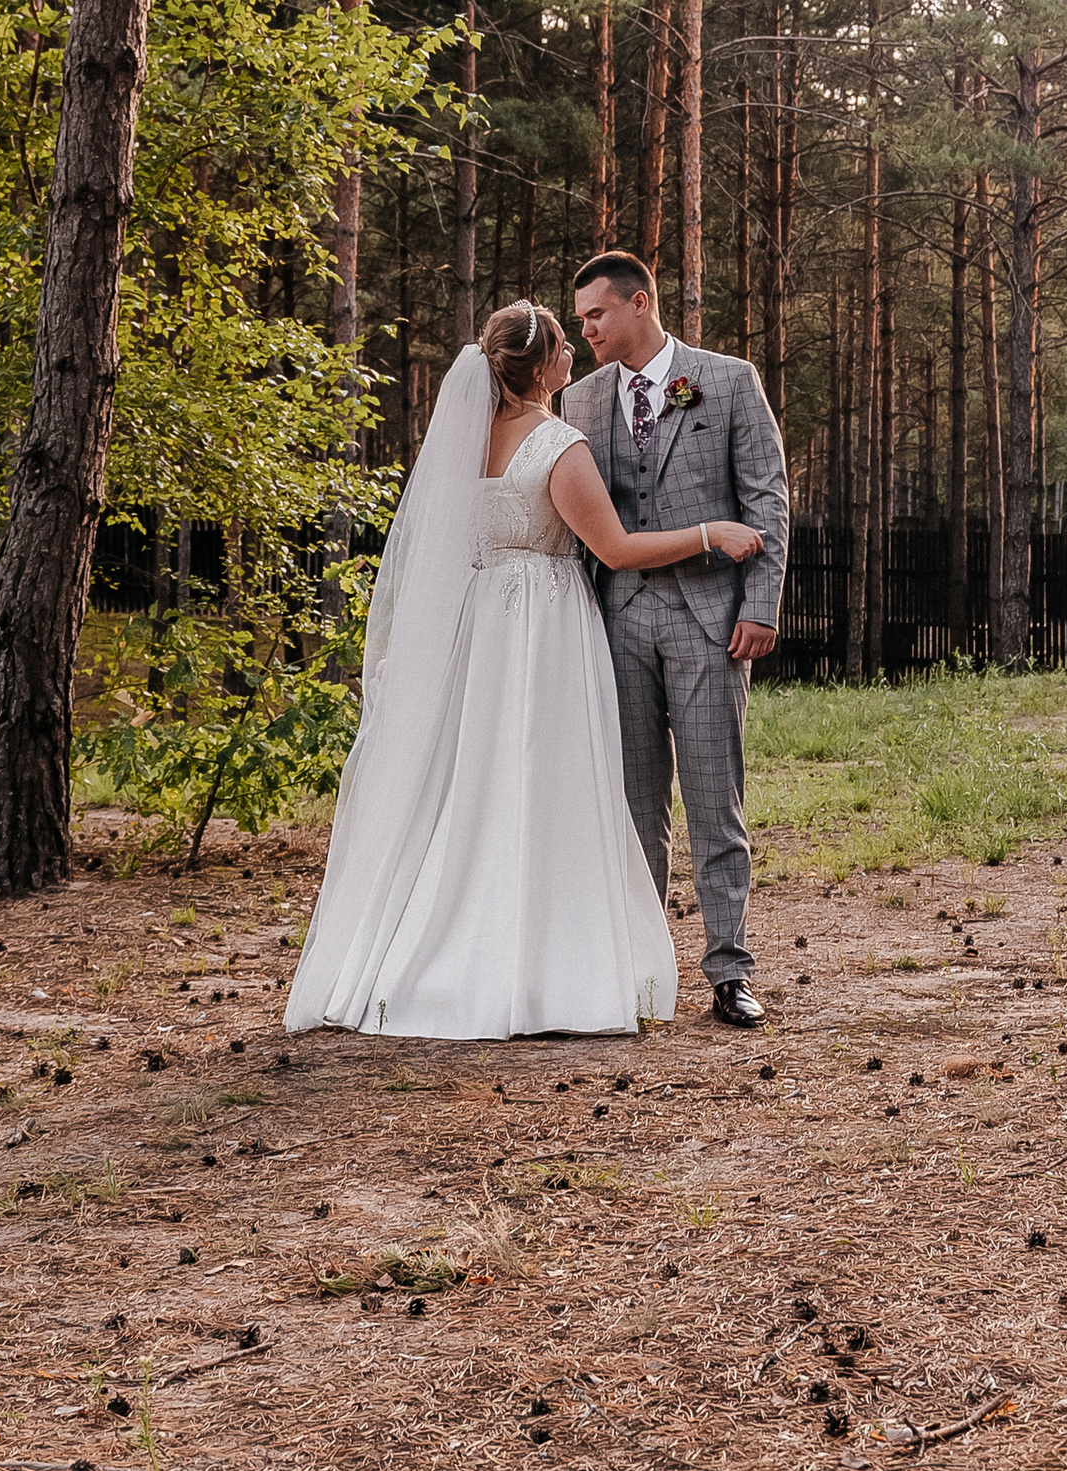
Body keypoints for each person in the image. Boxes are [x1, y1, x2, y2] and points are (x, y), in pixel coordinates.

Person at [285, 304, 764, 1042]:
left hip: (482, 630)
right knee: (546, 783)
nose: (577, 348)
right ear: (540, 368)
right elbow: (615, 549)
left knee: (479, 785)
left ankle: (452, 947)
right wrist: (710, 532)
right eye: (564, 342)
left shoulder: (466, 441)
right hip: (544, 625)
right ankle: (542, 963)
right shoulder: (558, 443)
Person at [562, 252, 789, 1030]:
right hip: (616, 620)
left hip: (711, 624)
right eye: (581, 318)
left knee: (713, 799)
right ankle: (641, 968)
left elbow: (767, 498)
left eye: (596, 314)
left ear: (640, 302)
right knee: (631, 806)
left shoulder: (726, 379)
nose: (584, 328)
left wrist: (761, 606)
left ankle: (730, 971)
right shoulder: (578, 399)